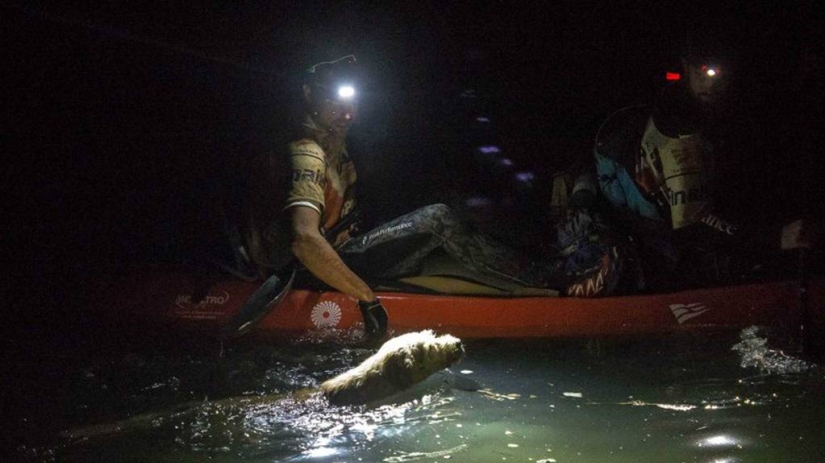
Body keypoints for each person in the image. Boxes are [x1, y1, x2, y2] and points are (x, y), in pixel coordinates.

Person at [246, 55, 561, 339]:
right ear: (309, 96)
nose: (348, 114)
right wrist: (366, 297)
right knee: (437, 216)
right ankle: (551, 278)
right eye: (335, 102)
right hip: (316, 268)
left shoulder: (336, 148)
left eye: (352, 104)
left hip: (345, 250)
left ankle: (528, 272)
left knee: (441, 216)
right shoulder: (308, 153)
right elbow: (304, 240)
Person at [567, 24, 817, 293]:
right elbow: (694, 223)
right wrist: (775, 238)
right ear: (686, 67)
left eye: (721, 74)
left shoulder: (729, 110)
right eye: (703, 72)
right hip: (650, 228)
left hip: (672, 210)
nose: (711, 83)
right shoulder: (679, 128)